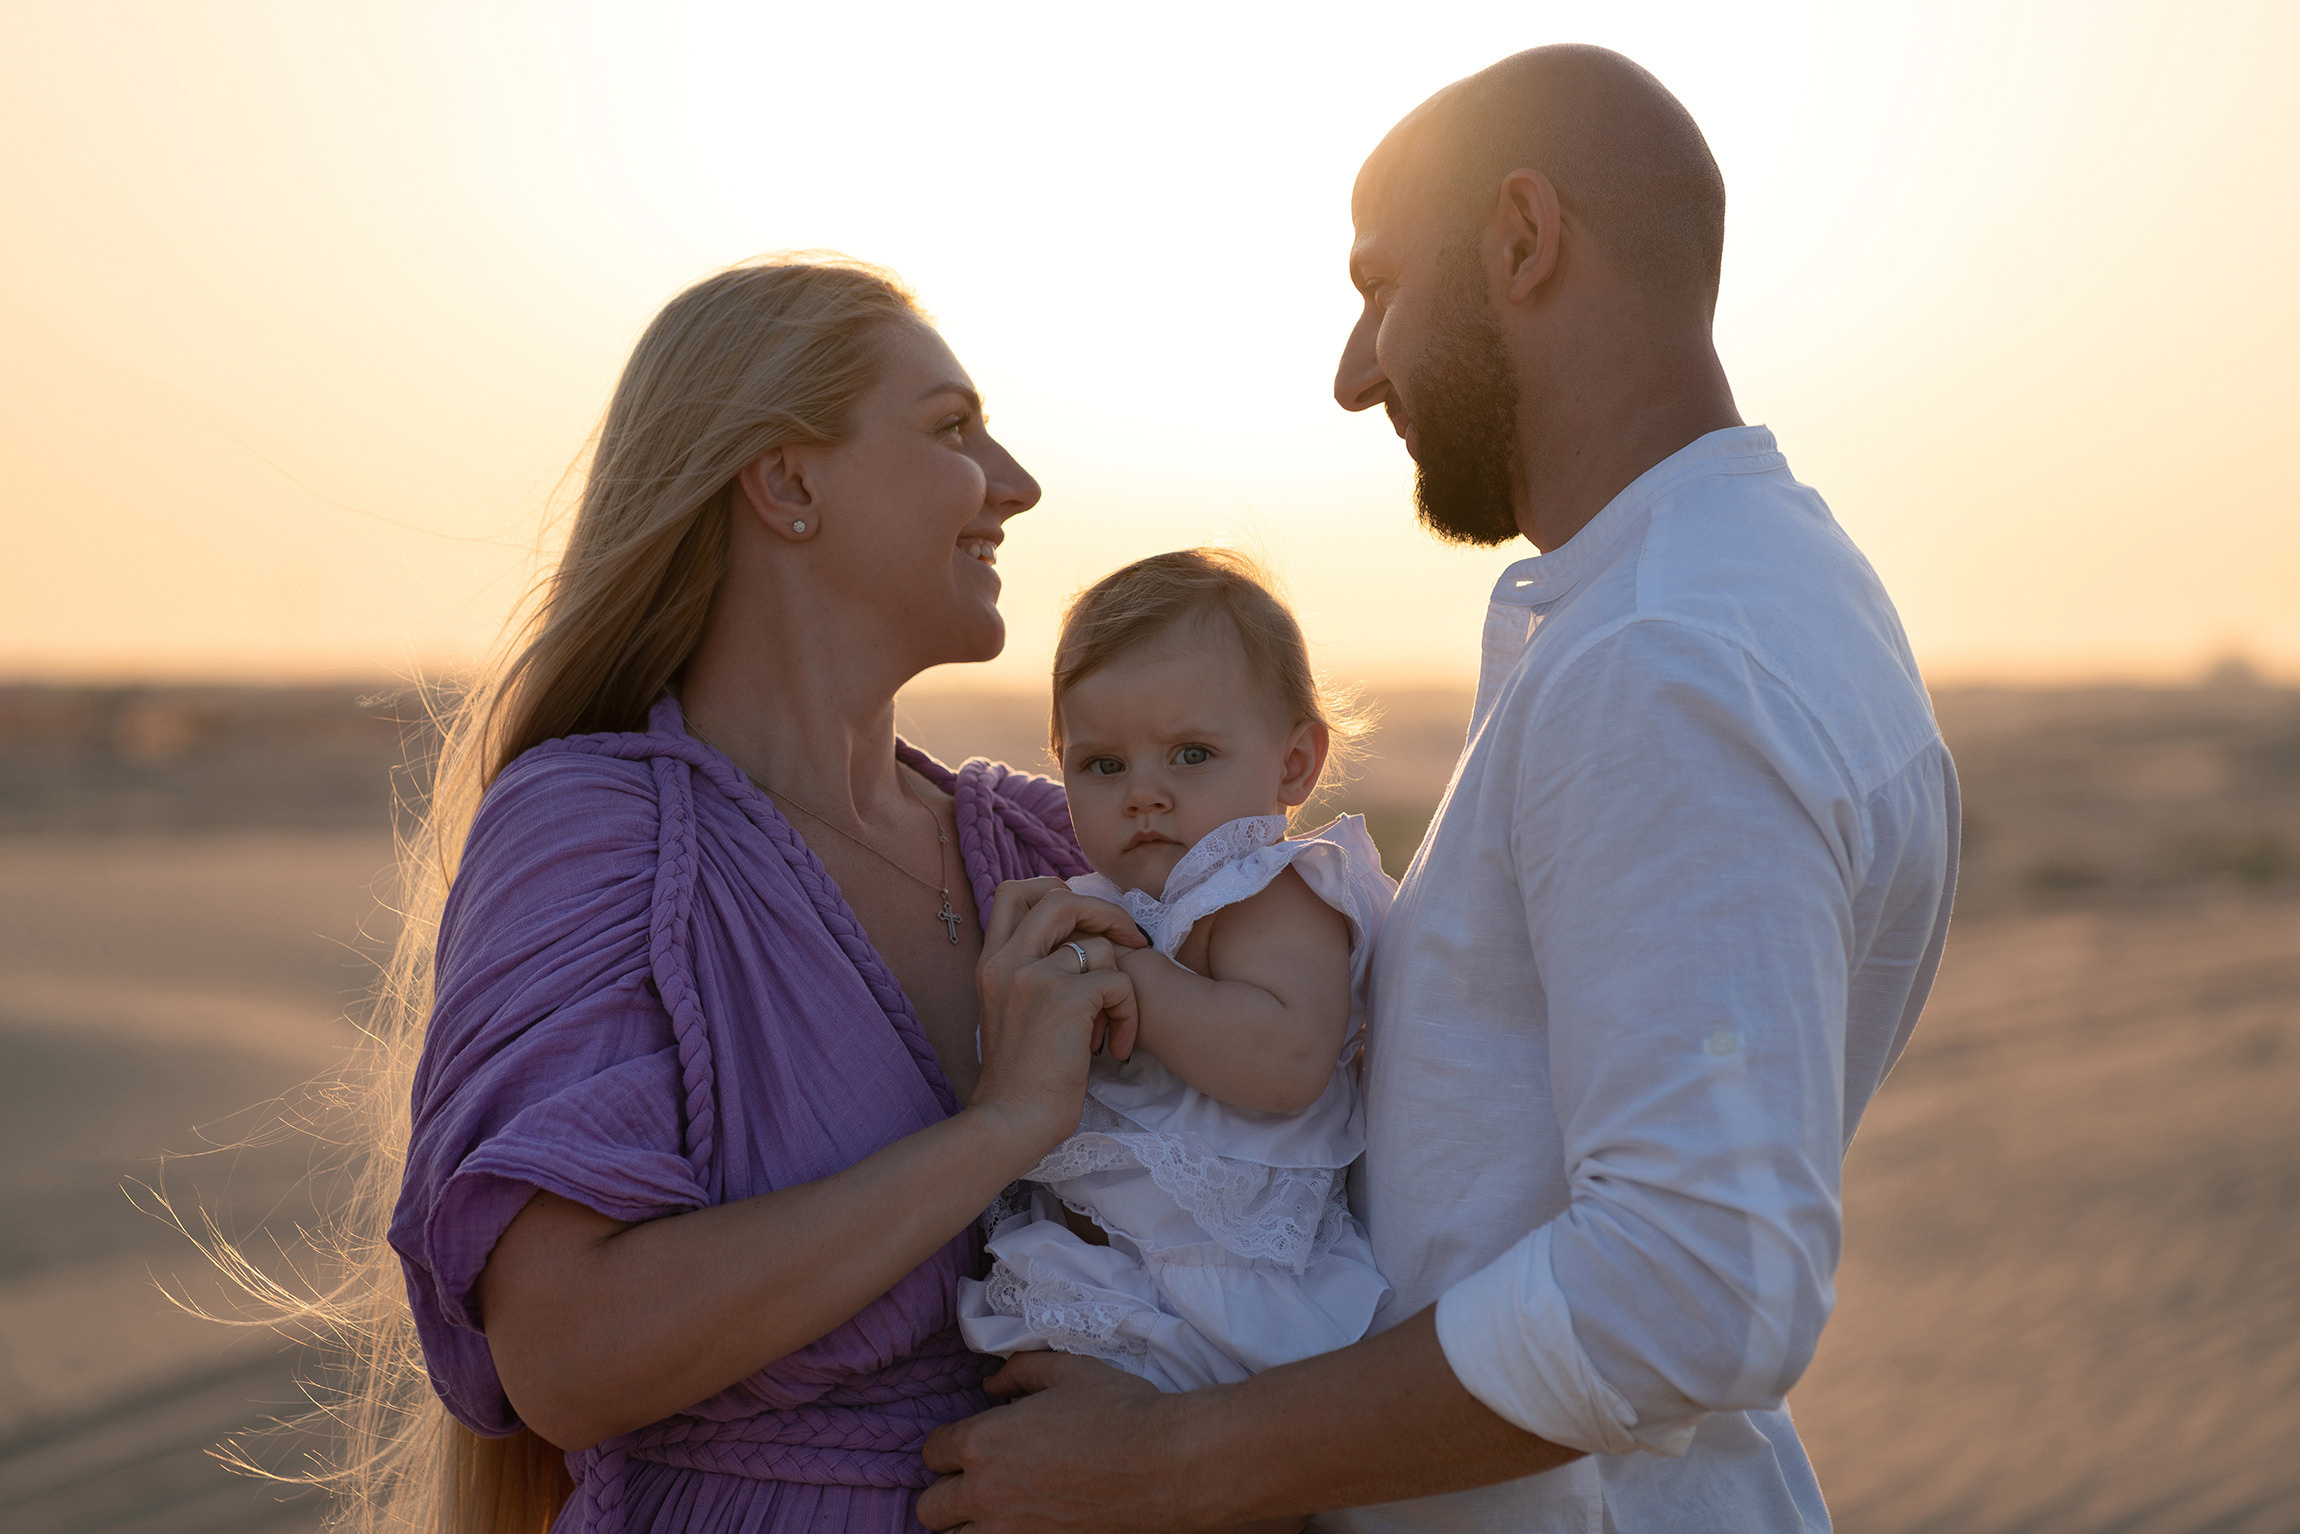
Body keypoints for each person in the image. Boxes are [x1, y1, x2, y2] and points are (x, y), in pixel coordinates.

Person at [917, 43, 1960, 1534]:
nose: (1354, 375)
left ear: (1522, 240)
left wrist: (1169, 1461)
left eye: (1380, 287)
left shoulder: (1662, 658)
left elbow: (1696, 1287)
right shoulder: (1754, 589)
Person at [365, 255, 1151, 1534]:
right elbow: (567, 1354)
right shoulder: (605, 833)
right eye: (952, 429)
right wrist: (1000, 1127)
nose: (1014, 483)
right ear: (786, 484)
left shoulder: (1048, 843)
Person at [957, 548, 1395, 1390]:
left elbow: (1285, 1061)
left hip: (1227, 1284)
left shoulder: (1266, 889)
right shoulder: (1112, 903)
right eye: (1103, 765)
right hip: (1122, 1270)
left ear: (1294, 764)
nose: (1144, 794)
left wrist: (1132, 976)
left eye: (1191, 754)